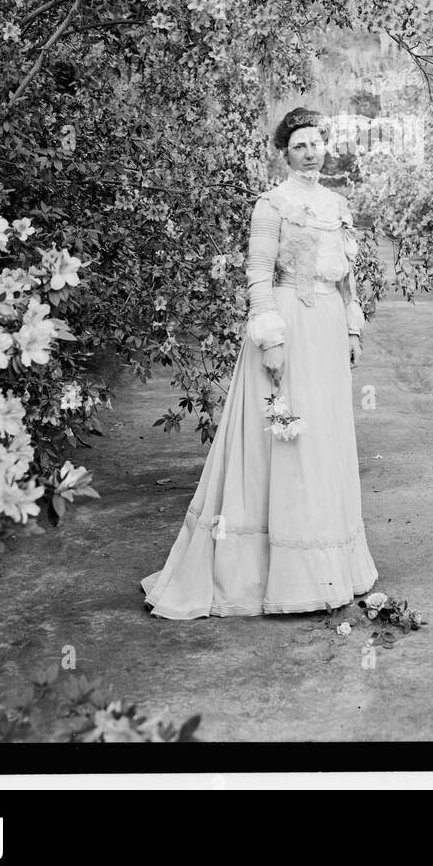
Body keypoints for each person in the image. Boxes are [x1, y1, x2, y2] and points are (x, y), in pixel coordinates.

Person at [140, 106, 379, 618]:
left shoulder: (338, 204)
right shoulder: (271, 205)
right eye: (300, 145)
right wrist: (270, 337)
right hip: (290, 322)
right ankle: (278, 573)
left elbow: (347, 280)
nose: (311, 152)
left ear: (326, 146)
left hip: (328, 328)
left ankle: (332, 563)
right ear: (285, 153)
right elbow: (256, 275)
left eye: (316, 142)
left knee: (324, 440)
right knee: (289, 438)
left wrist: (353, 328)